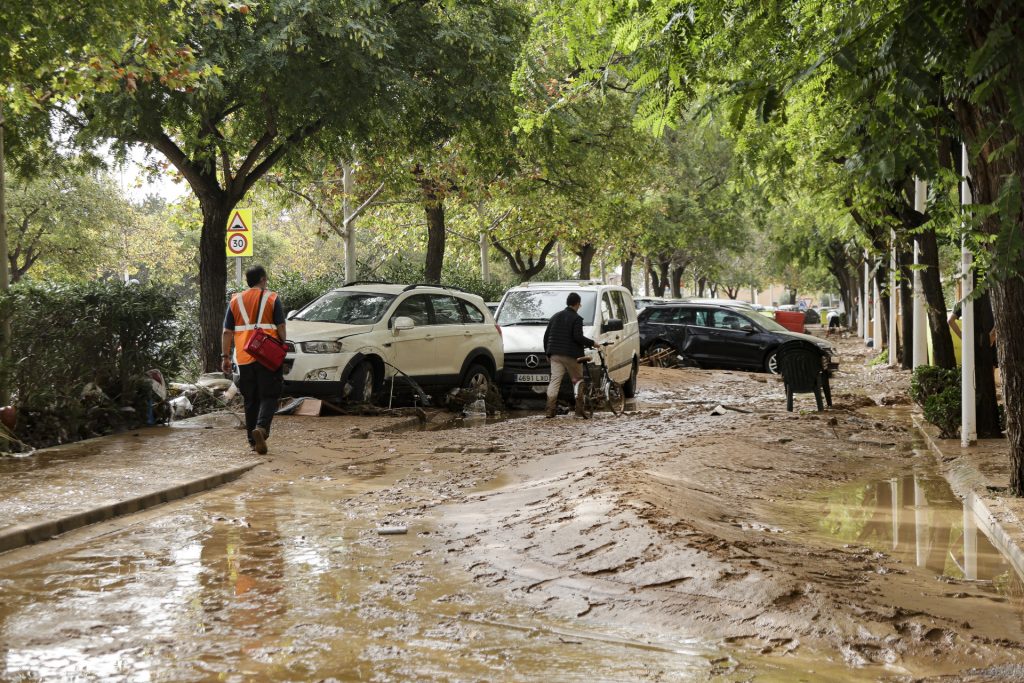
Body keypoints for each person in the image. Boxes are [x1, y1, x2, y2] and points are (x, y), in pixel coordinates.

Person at [221, 265, 286, 454]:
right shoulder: (271, 298)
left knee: (251, 399)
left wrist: (225, 356)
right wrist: (283, 343)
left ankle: (252, 442)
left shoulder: (235, 300)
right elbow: (280, 326)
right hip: (267, 354)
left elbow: (227, 332)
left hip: (244, 355)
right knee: (270, 395)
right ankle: (262, 428)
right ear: (263, 279)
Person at [543, 292, 594, 419]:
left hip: (555, 354)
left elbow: (546, 336)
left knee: (555, 381)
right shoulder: (576, 318)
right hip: (572, 356)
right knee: (578, 381)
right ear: (577, 304)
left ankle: (550, 410)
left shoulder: (555, 316)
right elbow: (577, 337)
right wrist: (592, 343)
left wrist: (547, 353)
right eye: (579, 304)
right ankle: (579, 411)